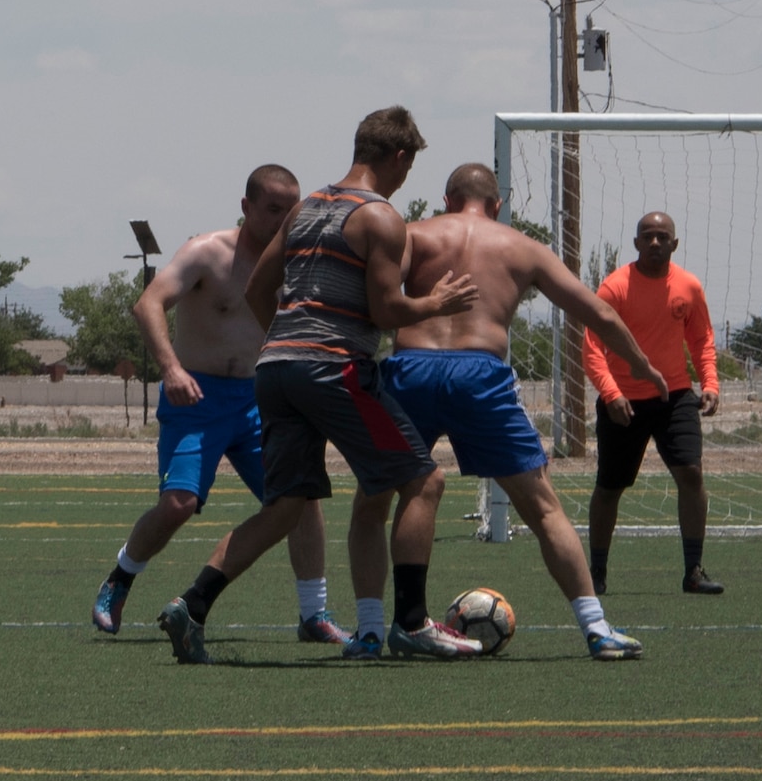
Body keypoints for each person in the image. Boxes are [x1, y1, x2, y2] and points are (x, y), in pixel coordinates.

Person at [154, 105, 478, 665]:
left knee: (285, 507)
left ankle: (194, 603)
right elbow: (385, 309)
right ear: (399, 158)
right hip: (336, 368)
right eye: (408, 168)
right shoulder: (380, 217)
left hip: (276, 368)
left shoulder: (306, 209)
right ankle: (409, 623)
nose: (406, 180)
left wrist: (286, 340)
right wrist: (436, 303)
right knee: (424, 483)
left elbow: (259, 289)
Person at [373, 163, 667, 660]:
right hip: (478, 375)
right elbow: (598, 312)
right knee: (542, 506)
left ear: (447, 199)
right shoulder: (522, 247)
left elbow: (377, 303)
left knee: (376, 499)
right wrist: (642, 366)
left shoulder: (413, 235)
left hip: (409, 369)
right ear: (498, 205)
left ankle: (367, 629)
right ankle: (596, 629)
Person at [90, 165, 344, 644]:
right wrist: (172, 369)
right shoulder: (207, 251)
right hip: (197, 397)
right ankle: (120, 578)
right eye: (272, 209)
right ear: (246, 208)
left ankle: (314, 614)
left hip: (259, 400)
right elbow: (148, 304)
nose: (281, 220)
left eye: (290, 211)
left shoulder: (296, 263)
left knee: (301, 498)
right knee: (179, 504)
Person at [581, 211, 724, 596]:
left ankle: (693, 570)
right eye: (648, 236)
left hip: (675, 396)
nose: (655, 242)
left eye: (663, 236)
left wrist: (709, 382)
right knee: (610, 487)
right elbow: (592, 348)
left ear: (674, 244)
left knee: (691, 473)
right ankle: (595, 573)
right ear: (636, 243)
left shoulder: (689, 287)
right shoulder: (614, 288)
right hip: (623, 401)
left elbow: (701, 340)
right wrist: (611, 394)